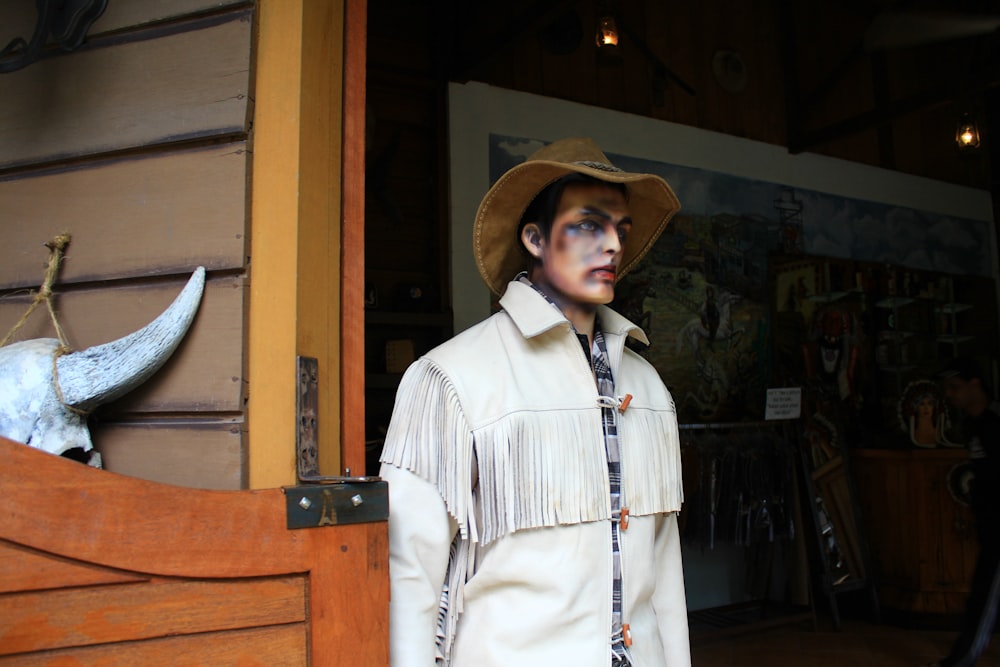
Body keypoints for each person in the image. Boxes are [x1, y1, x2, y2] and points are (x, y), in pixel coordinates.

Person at [379, 137, 690, 667]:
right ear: (535, 238)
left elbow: (664, 575)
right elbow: (411, 579)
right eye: (589, 224)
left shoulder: (649, 387)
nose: (612, 244)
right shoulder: (450, 378)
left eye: (620, 228)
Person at [926, 357, 1000, 667]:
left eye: (956, 387)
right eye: (948, 389)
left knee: (984, 598)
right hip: (989, 523)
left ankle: (960, 661)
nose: (951, 395)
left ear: (975, 385)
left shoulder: (996, 422)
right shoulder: (970, 424)